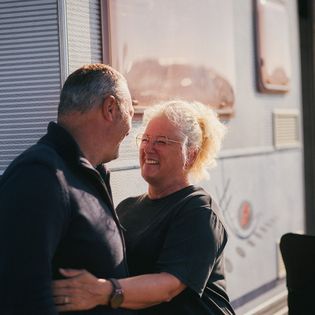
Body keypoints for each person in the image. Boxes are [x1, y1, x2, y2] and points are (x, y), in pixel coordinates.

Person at [52, 100, 235, 315]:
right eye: (145, 139)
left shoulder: (199, 209)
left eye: (162, 141)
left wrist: (103, 291)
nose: (149, 148)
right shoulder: (126, 207)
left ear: (191, 155)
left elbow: (169, 286)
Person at [0, 64, 135, 314]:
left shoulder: (88, 172)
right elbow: (21, 295)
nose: (132, 124)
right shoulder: (40, 175)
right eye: (131, 110)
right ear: (110, 108)